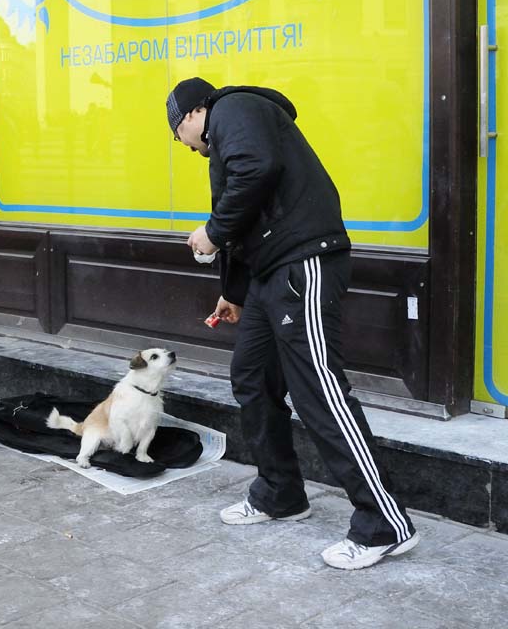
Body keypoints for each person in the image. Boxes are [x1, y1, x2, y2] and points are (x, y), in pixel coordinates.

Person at [168, 77, 418, 570]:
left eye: (177, 134)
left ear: (190, 115)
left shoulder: (231, 107)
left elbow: (256, 172)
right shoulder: (232, 127)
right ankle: (280, 494)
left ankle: (384, 522)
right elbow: (254, 204)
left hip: (302, 263)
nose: (183, 145)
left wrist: (211, 233)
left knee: (317, 388)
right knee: (252, 375)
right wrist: (234, 293)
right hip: (270, 272)